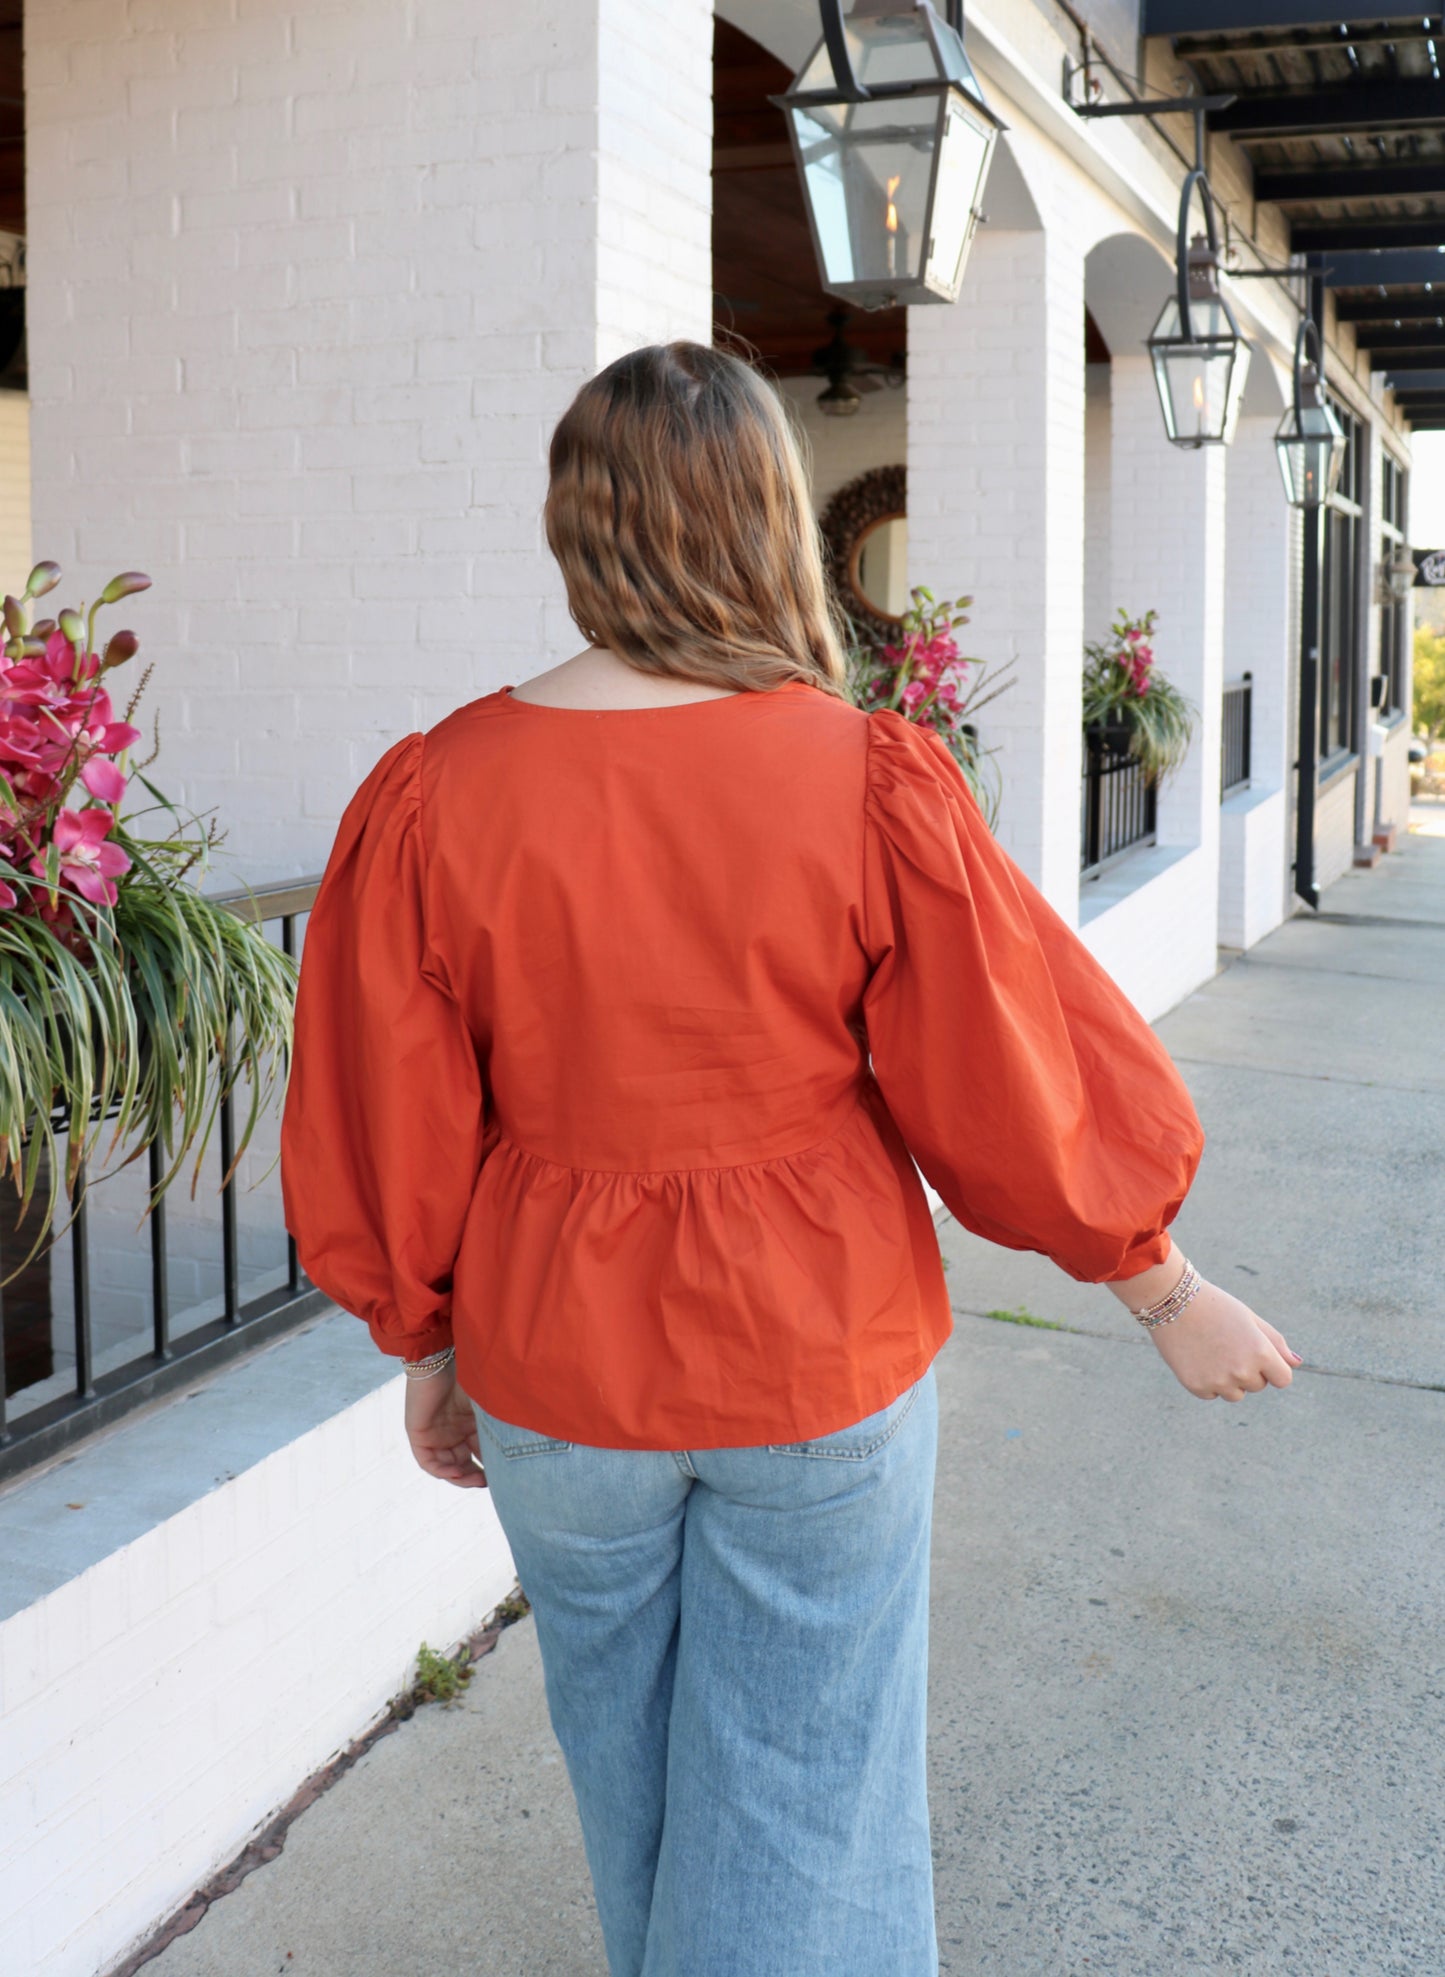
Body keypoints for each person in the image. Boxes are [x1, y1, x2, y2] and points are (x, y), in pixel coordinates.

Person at [280, 341, 1300, 1977]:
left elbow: (384, 1110)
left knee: (638, 1797)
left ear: (575, 526)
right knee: (805, 1817)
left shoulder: (434, 791)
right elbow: (1002, 1071)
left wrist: (430, 1339)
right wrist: (1156, 1282)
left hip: (556, 1360)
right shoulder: (861, 773)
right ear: (766, 520)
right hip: (815, 1350)